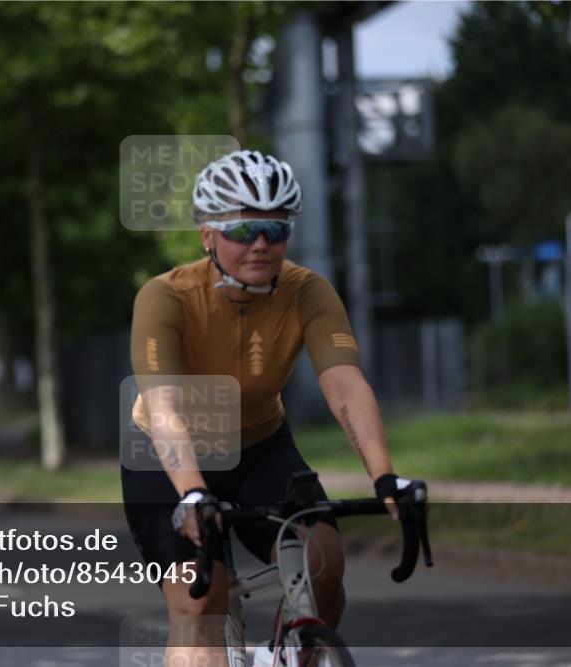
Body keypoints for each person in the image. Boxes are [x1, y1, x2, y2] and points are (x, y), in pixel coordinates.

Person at [122, 150, 414, 665]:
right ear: (207, 235)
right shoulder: (165, 297)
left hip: (259, 447)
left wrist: (386, 479)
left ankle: (284, 656)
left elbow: (345, 384)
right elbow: (163, 404)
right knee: (200, 606)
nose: (260, 244)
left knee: (325, 564)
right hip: (165, 457)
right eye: (244, 230)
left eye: (275, 231)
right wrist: (192, 493)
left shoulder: (307, 291)